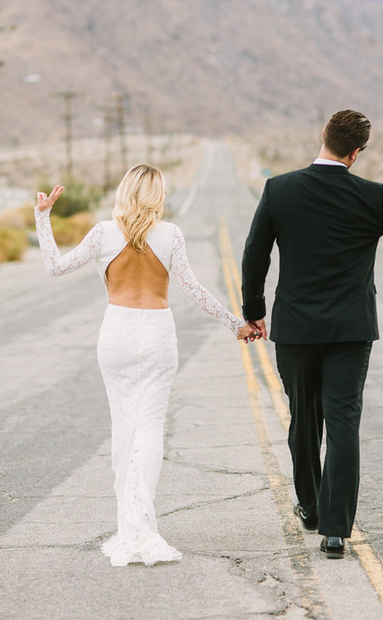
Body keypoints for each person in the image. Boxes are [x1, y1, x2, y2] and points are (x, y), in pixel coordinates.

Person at [241, 110, 383, 559]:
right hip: (350, 331)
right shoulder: (371, 196)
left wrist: (254, 312)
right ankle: (335, 532)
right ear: (356, 154)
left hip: (295, 329)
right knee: (342, 425)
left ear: (324, 137)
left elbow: (254, 254)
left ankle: (311, 508)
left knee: (303, 418)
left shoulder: (280, 189)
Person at [35, 164, 257, 567]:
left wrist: (42, 217)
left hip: (117, 333)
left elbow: (55, 265)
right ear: (157, 195)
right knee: (150, 427)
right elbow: (194, 290)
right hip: (157, 334)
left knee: (124, 427)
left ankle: (129, 528)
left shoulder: (103, 233)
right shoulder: (170, 235)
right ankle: (141, 524)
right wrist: (235, 324)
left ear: (125, 190)